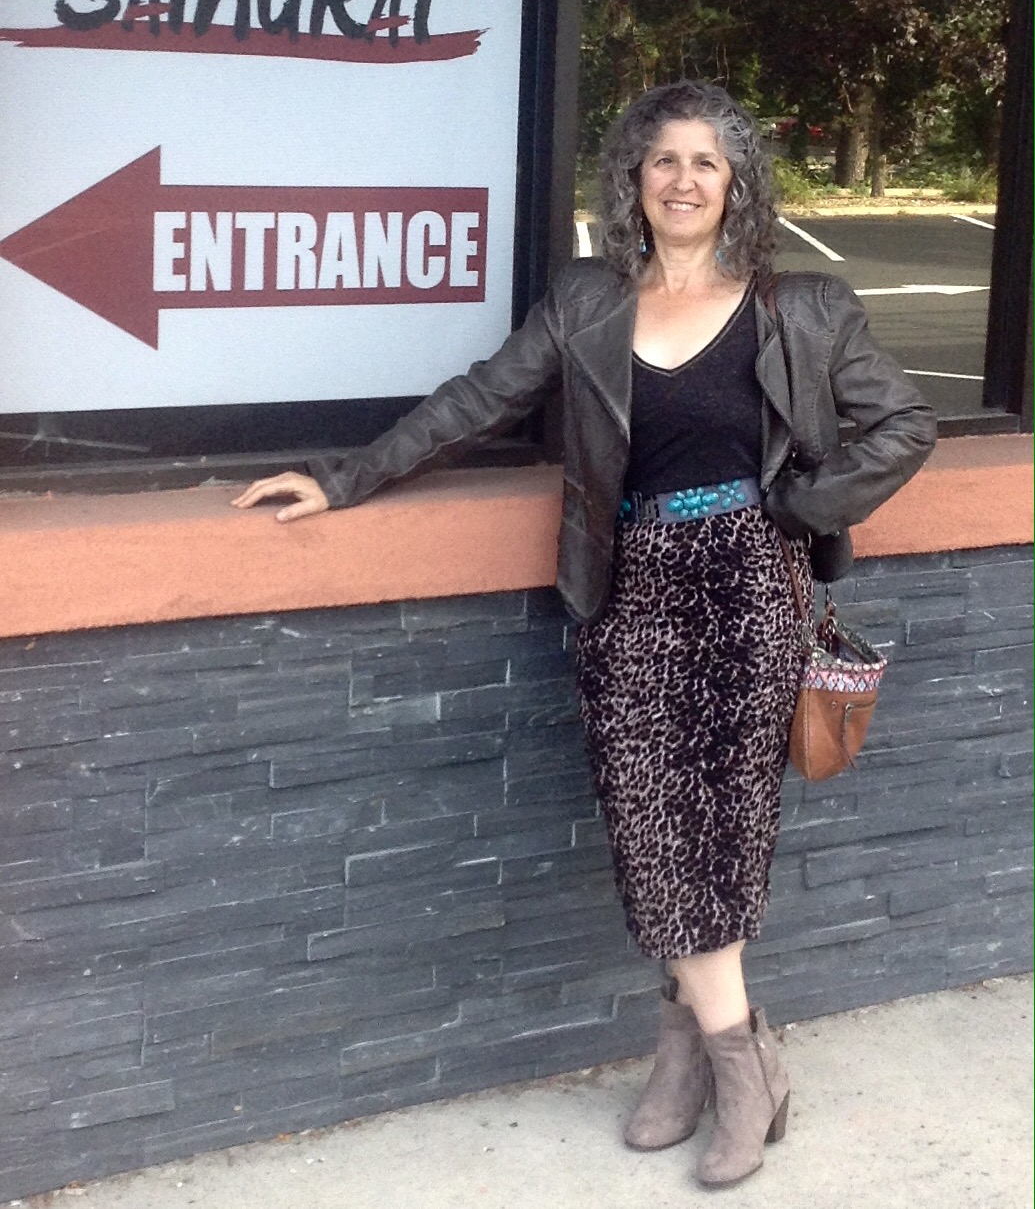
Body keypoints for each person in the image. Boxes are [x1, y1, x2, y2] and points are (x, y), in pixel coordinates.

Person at [233, 80, 936, 1188]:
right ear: (634, 181)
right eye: (664, 161)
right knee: (647, 822)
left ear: (737, 183)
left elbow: (904, 421)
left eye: (706, 162)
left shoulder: (799, 306)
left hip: (751, 587)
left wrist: (800, 509)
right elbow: (478, 400)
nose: (684, 180)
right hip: (631, 586)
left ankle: (708, 1066)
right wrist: (344, 476)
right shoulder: (586, 300)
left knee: (723, 829)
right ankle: (737, 1057)